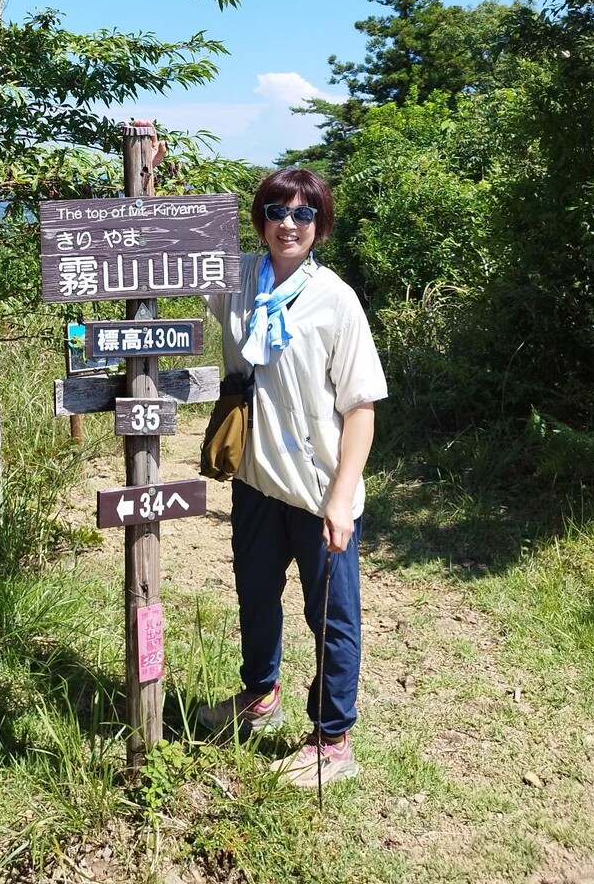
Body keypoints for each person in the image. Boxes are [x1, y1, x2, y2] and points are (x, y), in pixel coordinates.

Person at [193, 163, 386, 787]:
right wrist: (152, 170)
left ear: (319, 225)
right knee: (255, 596)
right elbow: (183, 244)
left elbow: (361, 410)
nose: (288, 224)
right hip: (255, 484)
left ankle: (333, 740)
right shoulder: (237, 279)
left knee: (331, 617)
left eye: (303, 214)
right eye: (277, 211)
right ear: (262, 219)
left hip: (317, 492)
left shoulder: (335, 300)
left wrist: (339, 500)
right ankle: (260, 696)